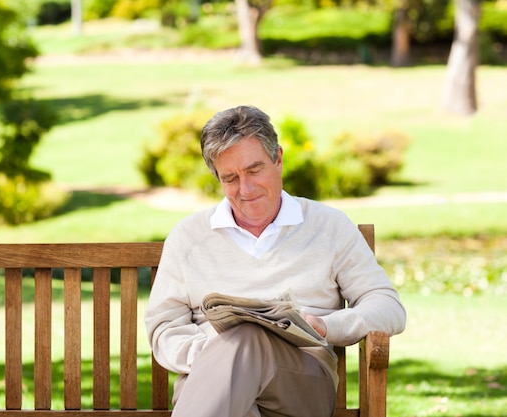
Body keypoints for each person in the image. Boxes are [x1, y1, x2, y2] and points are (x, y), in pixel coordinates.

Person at [144, 105, 406, 417]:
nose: (246, 189)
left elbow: (388, 307)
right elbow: (164, 326)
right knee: (239, 359)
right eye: (230, 178)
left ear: (278, 158)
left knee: (248, 337)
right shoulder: (189, 236)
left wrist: (325, 326)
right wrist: (217, 355)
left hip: (302, 382)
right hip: (210, 383)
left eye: (254, 170)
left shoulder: (328, 226)